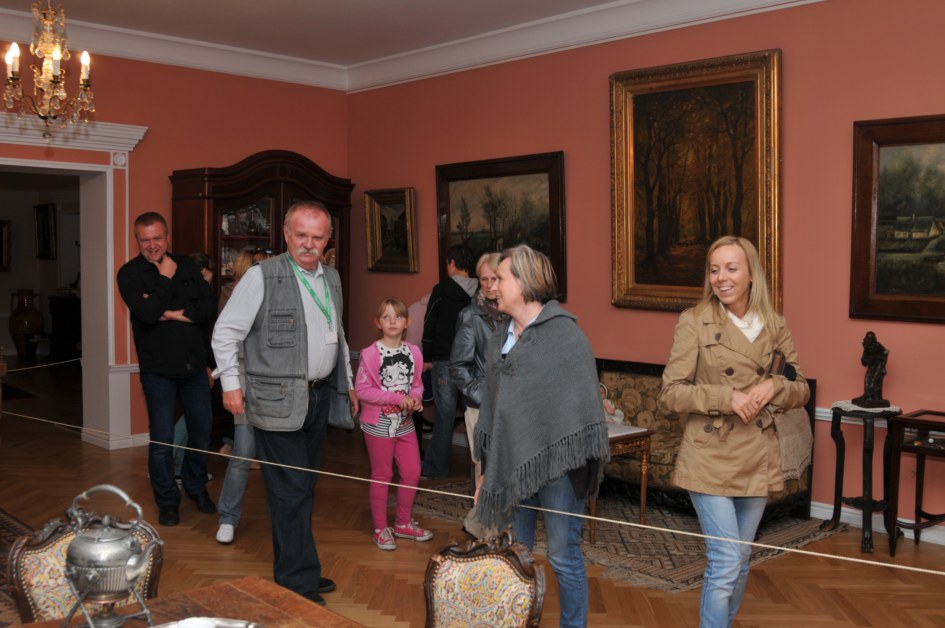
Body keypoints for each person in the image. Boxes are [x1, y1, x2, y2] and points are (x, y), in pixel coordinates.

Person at [658, 236, 810, 628]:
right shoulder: (694, 321)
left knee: (740, 560)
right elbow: (671, 393)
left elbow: (801, 388)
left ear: (751, 274)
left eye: (731, 268)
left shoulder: (774, 324)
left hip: (756, 453)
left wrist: (773, 386)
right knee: (725, 560)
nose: (721, 278)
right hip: (709, 453)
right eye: (714, 270)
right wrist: (726, 397)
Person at [212, 201, 358, 606]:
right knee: (290, 490)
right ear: (287, 235)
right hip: (276, 401)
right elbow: (224, 333)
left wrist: (347, 381)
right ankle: (296, 582)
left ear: (328, 240)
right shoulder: (261, 276)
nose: (309, 244)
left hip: (319, 396)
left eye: (317, 237)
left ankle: (300, 566)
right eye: (301, 235)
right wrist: (231, 385)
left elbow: (337, 332)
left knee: (303, 487)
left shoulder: (332, 277)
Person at [473, 244, 610, 628]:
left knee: (563, 556)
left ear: (524, 283)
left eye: (500, 279)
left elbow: (581, 409)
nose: (492, 287)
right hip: (514, 465)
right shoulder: (499, 337)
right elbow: (497, 414)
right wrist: (487, 472)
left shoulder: (566, 335)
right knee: (517, 554)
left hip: (561, 468)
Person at [117, 212, 217, 527]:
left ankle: (195, 486)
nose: (152, 245)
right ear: (137, 241)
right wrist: (164, 278)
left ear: (167, 236)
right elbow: (147, 314)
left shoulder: (187, 265)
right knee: (162, 441)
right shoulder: (129, 274)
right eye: (145, 240)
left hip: (194, 367)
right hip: (157, 370)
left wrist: (170, 314)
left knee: (201, 432)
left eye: (157, 238)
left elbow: (208, 308)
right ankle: (167, 502)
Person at [354, 297, 432, 551]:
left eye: (398, 316)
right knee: (382, 475)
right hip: (378, 426)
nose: (392, 321)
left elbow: (417, 384)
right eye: (386, 317)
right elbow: (362, 390)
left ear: (407, 322)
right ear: (378, 323)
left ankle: (402, 523)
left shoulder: (414, 352)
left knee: (412, 472)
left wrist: (416, 398)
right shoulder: (370, 354)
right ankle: (380, 529)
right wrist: (397, 398)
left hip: (405, 425)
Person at [214, 248, 275, 544]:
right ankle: (228, 517)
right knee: (243, 451)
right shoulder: (233, 295)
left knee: (280, 457)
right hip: (244, 379)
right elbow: (226, 339)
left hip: (277, 384)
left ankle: (284, 519)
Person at [448, 252, 505, 538]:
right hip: (481, 407)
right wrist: (483, 397)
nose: (490, 285)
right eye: (484, 279)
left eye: (496, 278)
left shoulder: (513, 313)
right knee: (485, 468)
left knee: (506, 468)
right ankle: (487, 535)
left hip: (510, 405)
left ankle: (492, 528)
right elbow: (459, 366)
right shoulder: (470, 315)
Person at [420, 244, 478, 479]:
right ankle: (480, 470)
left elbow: (429, 324)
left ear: (452, 263)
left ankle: (436, 468)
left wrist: (427, 357)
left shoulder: (441, 290)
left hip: (444, 360)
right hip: (472, 362)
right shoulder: (480, 291)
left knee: (444, 416)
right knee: (475, 415)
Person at [173, 252, 216, 481]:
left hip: (187, 359)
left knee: (192, 417)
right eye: (210, 272)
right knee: (195, 417)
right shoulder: (200, 294)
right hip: (196, 361)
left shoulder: (182, 291)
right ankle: (167, 463)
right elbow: (201, 335)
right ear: (203, 271)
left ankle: (179, 468)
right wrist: (207, 366)